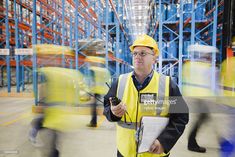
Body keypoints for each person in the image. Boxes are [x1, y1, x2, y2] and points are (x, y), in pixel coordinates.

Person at [103, 34, 189, 157]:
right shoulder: (120, 82)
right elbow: (106, 107)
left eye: (143, 53)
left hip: (153, 152)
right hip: (125, 151)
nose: (137, 57)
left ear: (154, 58)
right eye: (135, 53)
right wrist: (112, 113)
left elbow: (181, 118)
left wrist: (164, 141)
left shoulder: (168, 85)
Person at [182, 45, 217, 153]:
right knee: (202, 119)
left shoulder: (189, 65)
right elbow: (213, 84)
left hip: (193, 96)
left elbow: (185, 77)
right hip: (202, 97)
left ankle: (192, 142)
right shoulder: (209, 67)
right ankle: (192, 143)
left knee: (204, 118)